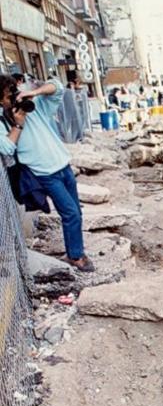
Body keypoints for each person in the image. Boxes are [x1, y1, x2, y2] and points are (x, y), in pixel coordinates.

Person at [0, 74, 94, 272]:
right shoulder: (3, 121)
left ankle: (74, 251)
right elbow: (6, 148)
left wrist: (33, 92)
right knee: (70, 212)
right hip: (44, 173)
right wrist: (18, 123)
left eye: (15, 93)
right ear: (1, 101)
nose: (15, 98)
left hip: (63, 166)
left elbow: (57, 87)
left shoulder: (36, 108)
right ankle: (76, 256)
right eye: (10, 96)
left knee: (75, 211)